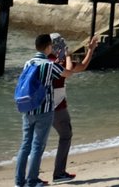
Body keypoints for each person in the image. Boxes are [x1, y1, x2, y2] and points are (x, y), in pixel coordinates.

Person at [14, 33, 87, 187]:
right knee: (37, 145)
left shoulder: (29, 63)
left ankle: (19, 181)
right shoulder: (49, 64)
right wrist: (67, 56)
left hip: (27, 109)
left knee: (25, 144)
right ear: (48, 46)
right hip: (44, 110)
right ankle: (32, 180)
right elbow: (68, 73)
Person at [48, 32, 100, 182]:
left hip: (44, 106)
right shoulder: (57, 61)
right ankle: (58, 173)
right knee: (65, 136)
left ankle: (32, 177)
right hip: (57, 106)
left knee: (39, 141)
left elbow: (82, 66)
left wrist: (90, 50)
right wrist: (69, 55)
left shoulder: (45, 60)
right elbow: (71, 70)